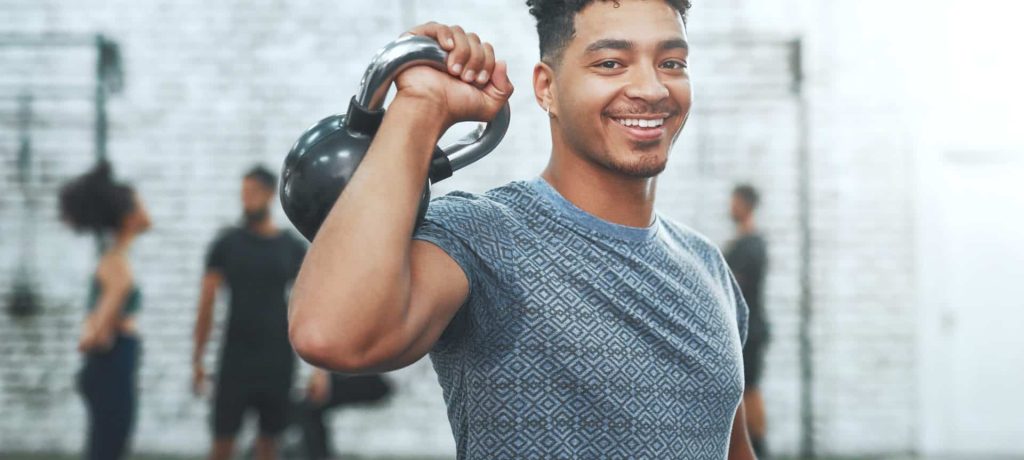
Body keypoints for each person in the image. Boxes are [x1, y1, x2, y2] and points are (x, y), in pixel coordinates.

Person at [288, 1, 757, 458]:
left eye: (671, 62)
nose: (652, 88)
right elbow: (331, 336)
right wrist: (422, 105)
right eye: (612, 63)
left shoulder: (708, 266)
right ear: (546, 88)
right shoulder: (481, 236)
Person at [192, 166, 307, 460]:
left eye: (252, 193)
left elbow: (308, 305)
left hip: (278, 361)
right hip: (234, 360)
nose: (246, 200)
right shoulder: (226, 244)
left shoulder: (291, 247)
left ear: (269, 194)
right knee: (222, 443)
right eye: (243, 193)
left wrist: (317, 370)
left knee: (269, 445)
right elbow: (207, 303)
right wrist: (198, 359)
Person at [60, 161, 152, 460]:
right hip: (111, 365)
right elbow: (95, 334)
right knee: (107, 450)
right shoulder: (117, 265)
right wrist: (98, 337)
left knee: (106, 447)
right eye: (140, 205)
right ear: (128, 218)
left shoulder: (114, 258)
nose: (146, 211)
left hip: (110, 366)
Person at [725, 184, 771, 457]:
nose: (730, 207)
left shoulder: (752, 245)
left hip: (750, 331)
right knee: (744, 391)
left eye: (734, 202)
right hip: (742, 328)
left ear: (745, 204)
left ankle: (761, 451)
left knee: (751, 389)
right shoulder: (743, 242)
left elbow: (738, 285)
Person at [293, 369, 392, 460]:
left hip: (373, 377)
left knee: (311, 406)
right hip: (352, 373)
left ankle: (320, 455)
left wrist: (322, 373)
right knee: (309, 406)